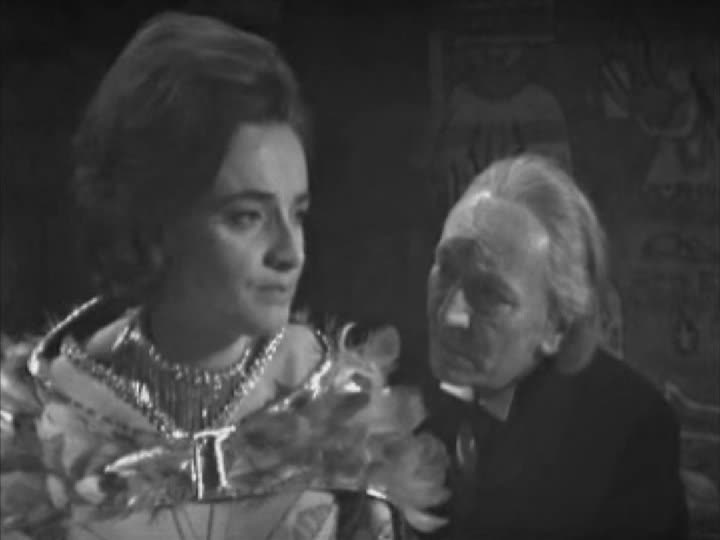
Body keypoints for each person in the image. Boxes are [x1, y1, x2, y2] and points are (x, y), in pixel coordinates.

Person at [0, 12, 448, 540]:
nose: (290, 253)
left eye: (297, 214)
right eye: (246, 217)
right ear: (157, 222)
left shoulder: (340, 410)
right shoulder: (46, 422)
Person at [421, 154, 688, 539]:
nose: (450, 316)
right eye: (445, 270)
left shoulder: (630, 431)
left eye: (490, 294)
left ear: (557, 324)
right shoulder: (391, 385)